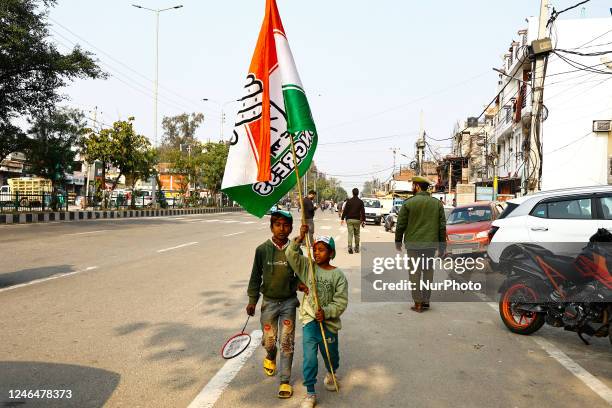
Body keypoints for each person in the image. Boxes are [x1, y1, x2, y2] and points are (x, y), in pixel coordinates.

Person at [246, 210, 307, 399]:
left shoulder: (294, 250)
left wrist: (301, 284)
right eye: (278, 225)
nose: (282, 229)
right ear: (271, 227)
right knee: (270, 341)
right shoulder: (262, 250)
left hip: (288, 302)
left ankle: (285, 381)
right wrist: (252, 300)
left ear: (291, 228)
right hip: (269, 303)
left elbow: (298, 275)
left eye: (286, 225)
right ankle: (271, 356)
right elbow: (255, 277)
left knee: (287, 342)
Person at [286, 226, 348, 408]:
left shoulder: (338, 275)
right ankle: (310, 393)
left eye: (321, 250)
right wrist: (299, 239)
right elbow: (292, 256)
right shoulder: (308, 267)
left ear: (331, 253)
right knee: (309, 358)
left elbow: (341, 301)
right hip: (310, 320)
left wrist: (327, 312)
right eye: (314, 249)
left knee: (331, 355)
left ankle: (331, 372)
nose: (317, 253)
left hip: (329, 323)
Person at [394, 176, 446, 313]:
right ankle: (426, 301)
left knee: (415, 273)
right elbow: (442, 227)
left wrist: (398, 241)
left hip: (413, 245)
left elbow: (400, 225)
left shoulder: (408, 203)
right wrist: (442, 246)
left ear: (417, 186)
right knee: (428, 272)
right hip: (430, 245)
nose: (412, 188)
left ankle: (418, 303)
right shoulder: (436, 204)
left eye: (413, 185)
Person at [341, 188, 365, 254]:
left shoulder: (349, 201)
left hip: (349, 220)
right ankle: (357, 249)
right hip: (357, 220)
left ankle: (349, 247)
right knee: (357, 234)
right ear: (358, 193)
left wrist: (342, 218)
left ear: (352, 193)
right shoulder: (360, 202)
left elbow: (345, 210)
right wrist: (363, 220)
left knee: (350, 234)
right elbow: (363, 212)